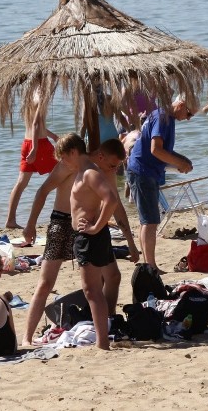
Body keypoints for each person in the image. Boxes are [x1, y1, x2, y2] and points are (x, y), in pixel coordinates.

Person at [20, 134, 138, 345]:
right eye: (112, 165)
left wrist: (131, 242)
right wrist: (30, 225)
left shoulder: (99, 171)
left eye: (117, 167)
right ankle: (27, 338)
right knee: (46, 282)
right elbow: (42, 191)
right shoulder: (71, 165)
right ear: (101, 156)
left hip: (88, 229)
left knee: (113, 276)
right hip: (62, 224)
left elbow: (116, 205)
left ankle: (107, 325)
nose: (114, 170)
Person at [64, 133, 122, 350]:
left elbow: (111, 199)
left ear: (73, 152)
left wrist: (96, 226)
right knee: (98, 286)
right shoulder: (83, 171)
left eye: (63, 157)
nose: (62, 162)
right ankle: (103, 339)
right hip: (91, 236)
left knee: (92, 290)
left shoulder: (89, 173)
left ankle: (102, 343)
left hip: (90, 236)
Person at [127, 98, 193, 271]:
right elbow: (155, 150)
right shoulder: (163, 117)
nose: (189, 118)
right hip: (142, 171)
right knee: (150, 221)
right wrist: (179, 163)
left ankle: (148, 265)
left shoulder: (163, 116)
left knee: (147, 220)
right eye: (189, 113)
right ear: (181, 105)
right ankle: (151, 266)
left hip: (144, 170)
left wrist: (181, 160)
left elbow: (163, 150)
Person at [5, 91, 59, 229]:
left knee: (21, 183)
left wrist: (53, 136)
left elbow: (36, 125)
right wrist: (35, 148)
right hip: (39, 144)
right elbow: (35, 124)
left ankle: (10, 220)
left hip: (27, 142)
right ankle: (64, 214)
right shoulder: (41, 94)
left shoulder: (28, 95)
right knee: (62, 177)